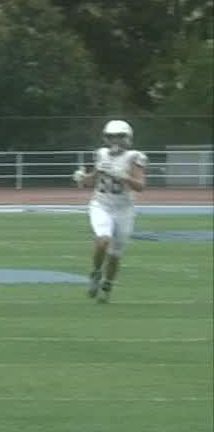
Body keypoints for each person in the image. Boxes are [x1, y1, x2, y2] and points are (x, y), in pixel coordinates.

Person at [73, 119, 147, 303]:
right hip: (101, 205)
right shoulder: (101, 154)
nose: (115, 141)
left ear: (127, 138)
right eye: (111, 137)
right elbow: (92, 181)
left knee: (115, 254)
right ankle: (96, 272)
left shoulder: (135, 157)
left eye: (119, 137)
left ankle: (108, 283)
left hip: (124, 209)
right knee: (103, 240)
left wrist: (123, 176)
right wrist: (82, 178)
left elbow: (140, 186)